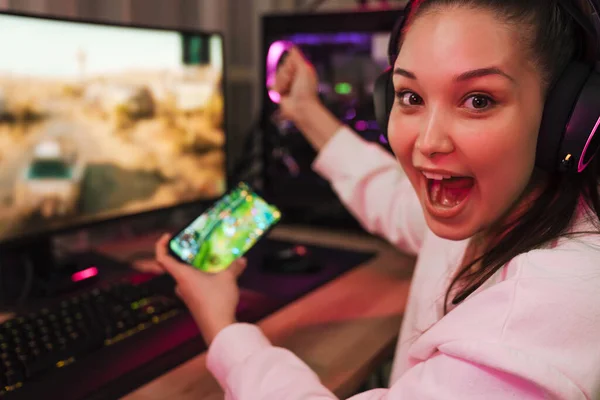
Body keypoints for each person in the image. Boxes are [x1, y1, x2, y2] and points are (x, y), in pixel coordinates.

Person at [154, 0, 600, 398]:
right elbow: (390, 197)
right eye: (410, 96)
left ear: (566, 118)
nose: (427, 142)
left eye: (478, 100)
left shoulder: (557, 299)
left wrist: (223, 328)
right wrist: (305, 109)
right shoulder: (496, 206)